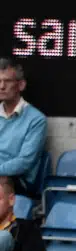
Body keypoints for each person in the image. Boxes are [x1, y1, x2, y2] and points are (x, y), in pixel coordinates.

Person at [0, 60, 46, 199]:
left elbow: (24, 162)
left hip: (17, 181)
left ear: (21, 85)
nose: (2, 86)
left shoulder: (36, 119)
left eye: (7, 81)